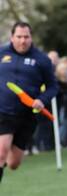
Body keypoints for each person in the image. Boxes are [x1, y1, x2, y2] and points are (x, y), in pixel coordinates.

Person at [0, 22, 58, 183]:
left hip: (26, 116)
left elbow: (53, 86)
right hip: (3, 112)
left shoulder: (42, 59)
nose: (22, 41)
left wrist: (42, 100)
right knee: (1, 153)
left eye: (26, 37)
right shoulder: (1, 53)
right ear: (12, 37)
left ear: (31, 38)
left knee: (13, 163)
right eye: (19, 37)